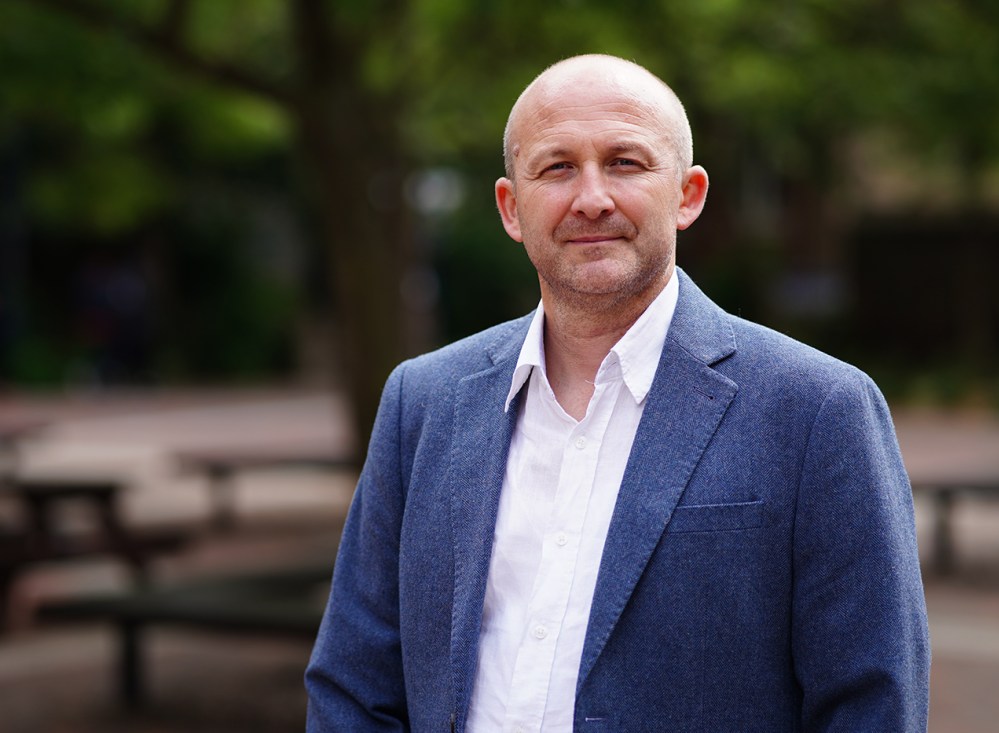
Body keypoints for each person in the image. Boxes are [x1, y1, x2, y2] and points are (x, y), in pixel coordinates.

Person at [305, 54, 930, 732]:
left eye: (626, 162)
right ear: (512, 208)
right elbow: (353, 685)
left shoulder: (818, 411)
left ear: (687, 195)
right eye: (557, 167)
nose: (592, 197)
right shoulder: (423, 402)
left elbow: (871, 704)